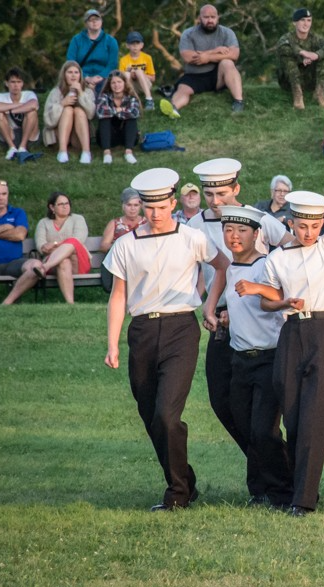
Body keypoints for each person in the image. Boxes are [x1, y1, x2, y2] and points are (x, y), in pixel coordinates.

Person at [103, 167, 229, 511]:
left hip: (180, 330)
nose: (155, 214)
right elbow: (118, 296)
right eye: (148, 207)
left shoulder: (191, 237)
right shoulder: (126, 245)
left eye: (161, 207)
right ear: (141, 206)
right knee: (150, 415)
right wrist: (113, 343)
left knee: (166, 415)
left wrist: (209, 305)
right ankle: (185, 481)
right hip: (141, 331)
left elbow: (223, 265)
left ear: (172, 202)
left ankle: (176, 494)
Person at [234, 178, 324, 517]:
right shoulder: (277, 258)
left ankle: (304, 498)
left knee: (315, 420)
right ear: (290, 222)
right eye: (303, 226)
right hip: (291, 334)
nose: (309, 232)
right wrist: (272, 296)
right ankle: (296, 487)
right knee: (292, 416)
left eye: (315, 225)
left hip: (322, 332)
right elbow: (270, 303)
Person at [188, 158, 294, 504]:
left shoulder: (260, 220)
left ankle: (273, 484)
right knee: (228, 407)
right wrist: (211, 306)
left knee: (262, 421)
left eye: (222, 193)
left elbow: (292, 249)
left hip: (264, 327)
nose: (215, 200)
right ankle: (267, 476)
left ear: (236, 189)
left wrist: (273, 289)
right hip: (224, 327)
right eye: (209, 194)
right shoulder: (193, 226)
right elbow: (221, 270)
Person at [219, 205, 294, 508]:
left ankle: (284, 489)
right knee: (248, 427)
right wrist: (225, 318)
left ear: (256, 234)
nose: (234, 236)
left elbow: (282, 296)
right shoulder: (230, 267)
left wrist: (256, 288)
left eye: (242, 231)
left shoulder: (267, 265)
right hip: (239, 360)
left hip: (268, 357)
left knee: (264, 429)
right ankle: (259, 489)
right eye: (228, 230)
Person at [166, 4, 245, 116]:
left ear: (218, 18)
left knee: (227, 63)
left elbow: (234, 54)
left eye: (213, 17)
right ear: (199, 18)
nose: (210, 20)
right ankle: (173, 109)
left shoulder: (227, 33)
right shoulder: (188, 34)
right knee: (182, 89)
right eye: (206, 17)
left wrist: (208, 57)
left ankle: (238, 102)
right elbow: (188, 57)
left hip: (217, 76)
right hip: (194, 76)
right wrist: (214, 51)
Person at [0, 179, 43, 307]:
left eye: (4, 194)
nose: (1, 198)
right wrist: (6, 226)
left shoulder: (18, 213)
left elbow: (20, 235)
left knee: (36, 266)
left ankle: (7, 303)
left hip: (13, 262)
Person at [34, 192, 91, 304]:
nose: (65, 206)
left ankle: (44, 267)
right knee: (64, 262)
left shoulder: (78, 219)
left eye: (67, 203)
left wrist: (54, 244)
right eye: (61, 204)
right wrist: (47, 247)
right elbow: (41, 246)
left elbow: (78, 240)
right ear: (52, 207)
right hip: (56, 267)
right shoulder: (43, 223)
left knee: (73, 241)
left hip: (78, 262)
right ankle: (70, 304)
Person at [277, 8, 324, 110]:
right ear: (294, 23)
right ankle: (298, 95)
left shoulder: (315, 37)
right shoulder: (287, 37)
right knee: (287, 58)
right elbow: (281, 48)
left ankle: (319, 93)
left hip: (310, 79)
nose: (306, 24)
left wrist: (316, 55)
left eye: (309, 20)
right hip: (289, 82)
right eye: (302, 20)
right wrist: (302, 54)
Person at [43, 61, 95, 164]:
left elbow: (91, 114)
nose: (73, 75)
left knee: (78, 111)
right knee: (68, 110)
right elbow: (48, 121)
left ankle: (86, 152)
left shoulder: (87, 91)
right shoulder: (56, 92)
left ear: (80, 75)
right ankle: (62, 152)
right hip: (59, 135)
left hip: (78, 137)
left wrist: (80, 93)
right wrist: (62, 104)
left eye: (76, 72)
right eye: (70, 72)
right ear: (64, 75)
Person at [100, 187, 145, 293]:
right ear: (123, 206)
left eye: (136, 205)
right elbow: (103, 246)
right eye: (129, 205)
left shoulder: (146, 223)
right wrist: (120, 246)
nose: (132, 208)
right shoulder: (115, 223)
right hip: (121, 260)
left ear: (141, 206)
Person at [66, 9, 119, 93]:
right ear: (86, 23)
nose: (94, 22)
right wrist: (85, 77)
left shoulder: (111, 41)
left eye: (97, 19)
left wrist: (101, 76)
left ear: (101, 21)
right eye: (91, 20)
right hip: (81, 76)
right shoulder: (76, 40)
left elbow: (112, 64)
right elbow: (71, 62)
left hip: (104, 77)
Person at [0, 67, 40, 160]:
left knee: (32, 112)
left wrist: (9, 111)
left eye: (18, 82)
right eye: (13, 82)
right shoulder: (0, 97)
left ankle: (23, 147)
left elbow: (33, 105)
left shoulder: (29, 94)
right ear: (7, 83)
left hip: (30, 135)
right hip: (11, 134)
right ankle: (11, 148)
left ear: (22, 84)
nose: (16, 85)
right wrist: (21, 105)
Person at [95, 70, 141, 165]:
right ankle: (107, 153)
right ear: (109, 85)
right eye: (113, 83)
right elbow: (101, 112)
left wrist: (113, 111)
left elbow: (135, 113)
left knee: (131, 119)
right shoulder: (104, 96)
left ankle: (128, 152)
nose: (116, 85)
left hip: (126, 135)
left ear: (124, 83)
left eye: (119, 82)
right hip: (108, 136)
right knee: (104, 118)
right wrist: (120, 110)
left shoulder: (131, 97)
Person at [119, 31, 156, 110]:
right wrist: (130, 74)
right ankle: (129, 98)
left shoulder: (147, 58)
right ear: (127, 46)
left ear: (142, 45)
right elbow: (120, 79)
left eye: (137, 43)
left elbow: (153, 78)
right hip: (130, 85)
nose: (135, 46)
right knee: (126, 73)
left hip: (144, 84)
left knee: (138, 71)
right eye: (132, 43)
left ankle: (149, 99)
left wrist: (140, 74)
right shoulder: (123, 60)